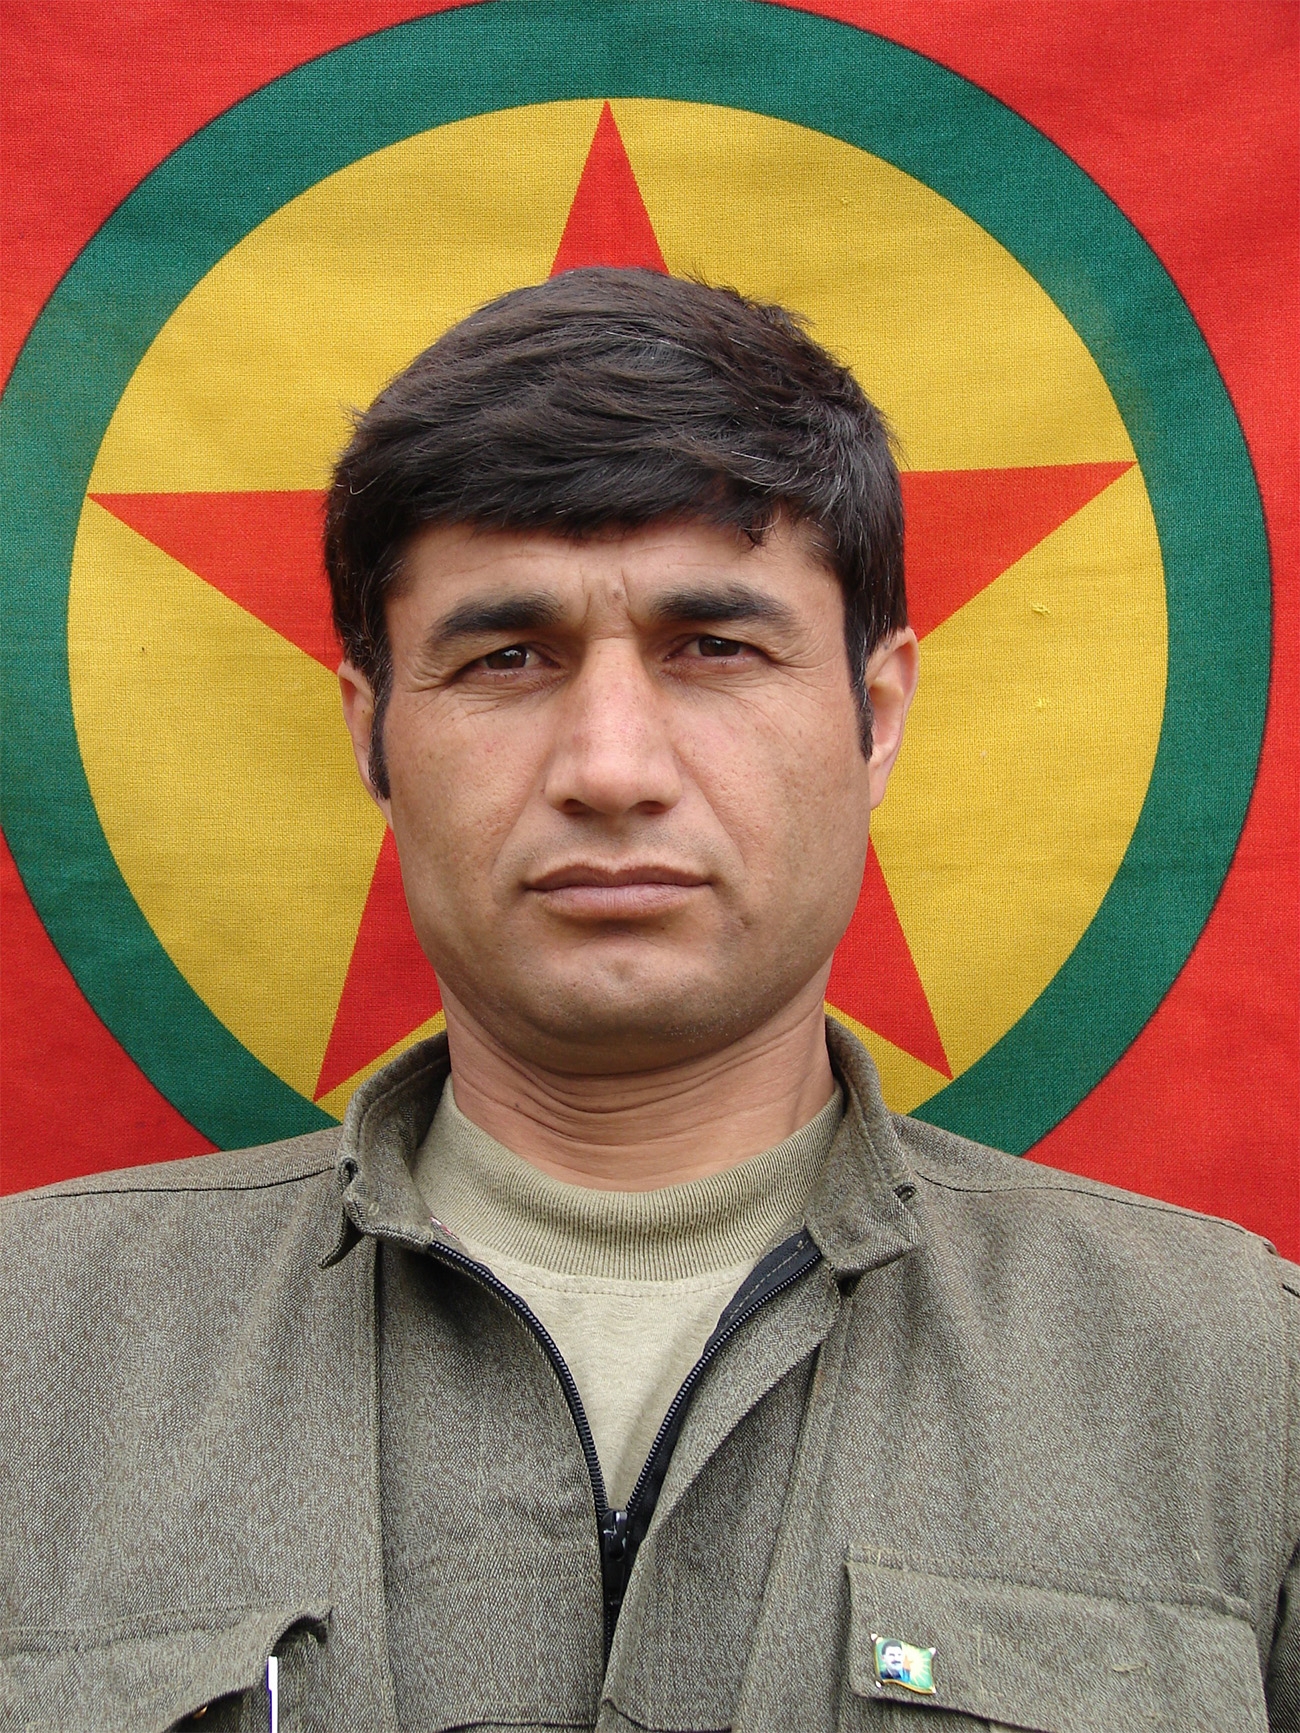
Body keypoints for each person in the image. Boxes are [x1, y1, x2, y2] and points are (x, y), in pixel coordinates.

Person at [1, 269, 1295, 1732]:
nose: (611, 768)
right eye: (508, 657)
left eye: (714, 649)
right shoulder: (28, 1352)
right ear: (373, 737)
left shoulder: (1237, 1379)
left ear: (874, 716)